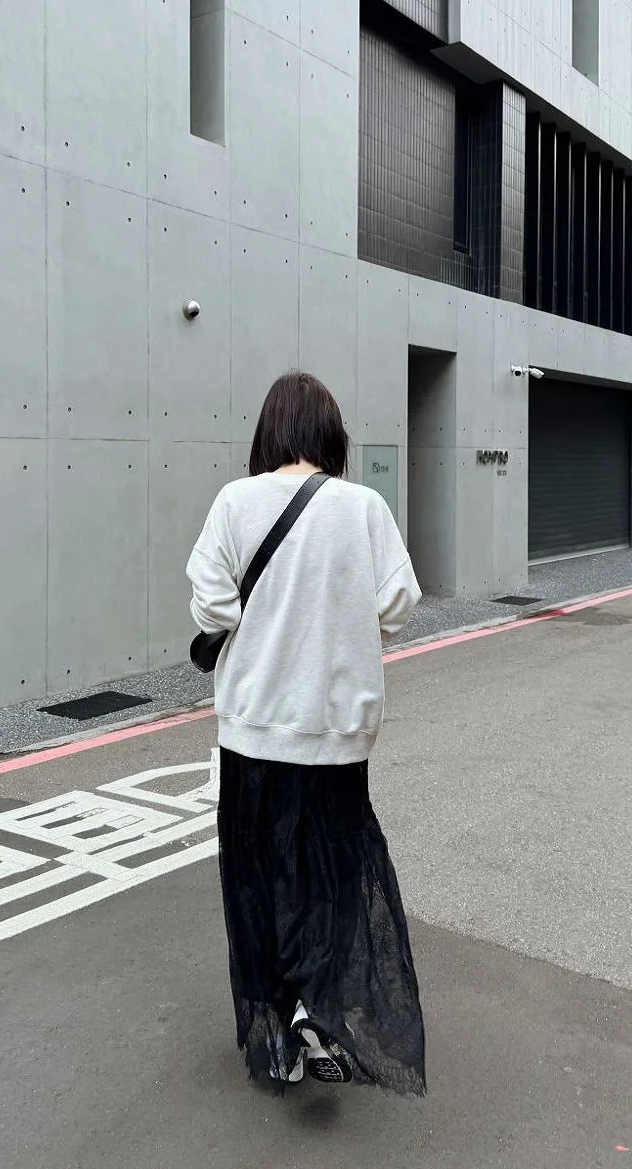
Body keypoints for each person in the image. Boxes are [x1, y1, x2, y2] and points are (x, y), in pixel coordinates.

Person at [186, 371, 426, 1095]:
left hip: (255, 735)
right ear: (331, 434)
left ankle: (276, 1039)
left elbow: (211, 607)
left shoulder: (235, 501)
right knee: (332, 879)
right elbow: (397, 604)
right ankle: (319, 1009)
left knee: (256, 884)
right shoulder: (363, 508)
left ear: (270, 431)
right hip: (336, 735)